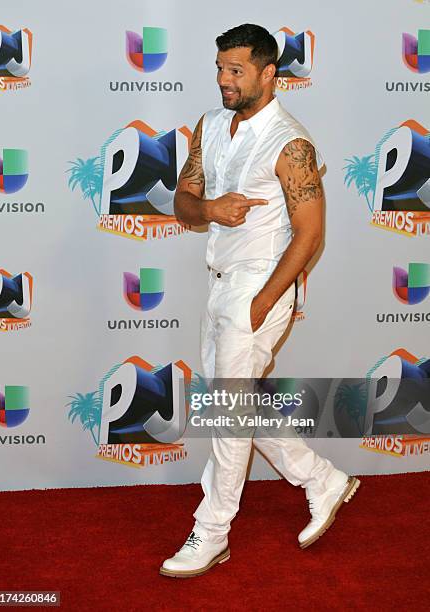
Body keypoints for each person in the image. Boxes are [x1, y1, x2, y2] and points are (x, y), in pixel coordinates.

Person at [160, 23, 360, 578]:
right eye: (221, 68)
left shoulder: (291, 143)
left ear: (269, 73)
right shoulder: (211, 126)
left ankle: (213, 530)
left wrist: (265, 300)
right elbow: (183, 202)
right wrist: (211, 211)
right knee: (237, 402)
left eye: (237, 70)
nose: (224, 79)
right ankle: (323, 479)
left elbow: (310, 234)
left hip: (258, 286)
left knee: (226, 411)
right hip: (220, 279)